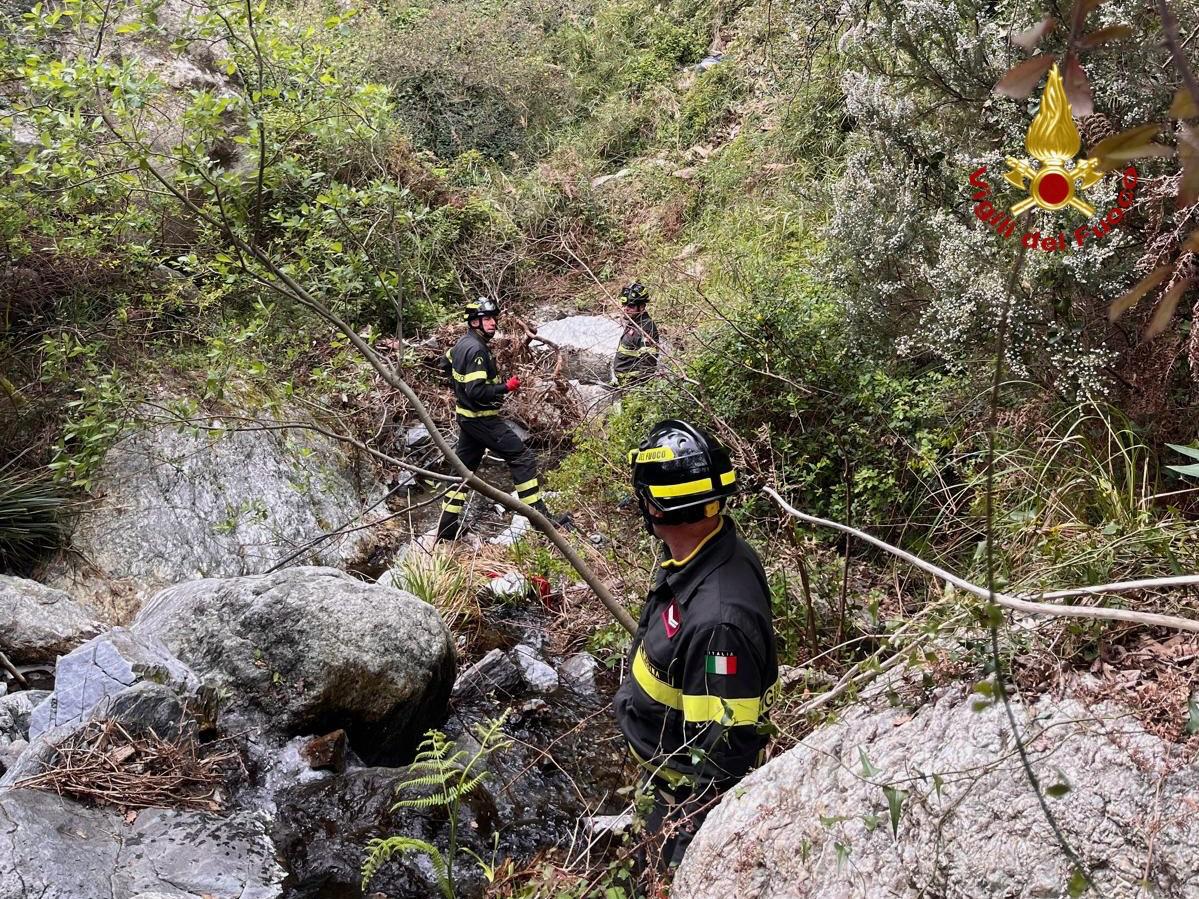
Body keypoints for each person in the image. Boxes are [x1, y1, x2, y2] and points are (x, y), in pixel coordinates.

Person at [614, 419, 778, 872]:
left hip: (676, 803)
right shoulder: (698, 555)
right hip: (657, 775)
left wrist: (683, 855)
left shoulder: (719, 623)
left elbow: (721, 757)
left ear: (656, 510)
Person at [435, 297, 560, 542]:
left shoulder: (461, 344)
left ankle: (446, 527)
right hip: (482, 419)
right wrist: (506, 387)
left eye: (493, 318)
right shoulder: (477, 350)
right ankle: (540, 521)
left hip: (467, 419)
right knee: (522, 457)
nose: (492, 323)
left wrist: (457, 389)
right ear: (474, 323)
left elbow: (444, 363)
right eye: (487, 319)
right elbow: (476, 390)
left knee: (462, 472)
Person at [613, 281, 660, 386]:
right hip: (623, 383)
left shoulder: (646, 328)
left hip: (632, 386)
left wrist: (638, 391)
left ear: (642, 307)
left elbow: (648, 363)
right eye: (624, 305)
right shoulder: (634, 323)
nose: (626, 309)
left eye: (631, 306)